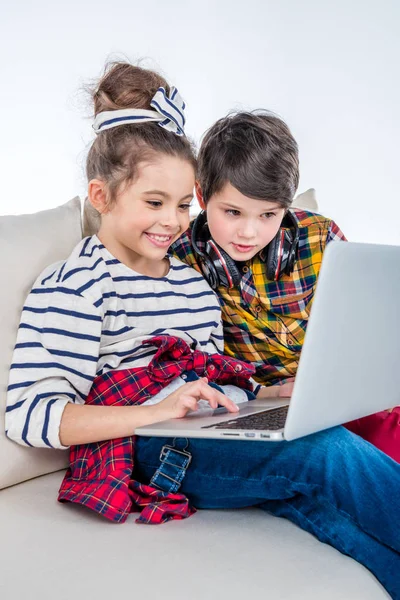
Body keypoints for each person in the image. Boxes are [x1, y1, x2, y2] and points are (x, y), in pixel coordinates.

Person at [5, 62, 400, 598]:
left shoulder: (190, 280)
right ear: (100, 198)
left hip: (209, 431)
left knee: (315, 502)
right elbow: (29, 416)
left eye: (182, 205)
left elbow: (213, 379)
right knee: (323, 450)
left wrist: (270, 393)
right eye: (154, 203)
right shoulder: (77, 286)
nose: (172, 221)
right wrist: (159, 411)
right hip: (147, 445)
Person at [171, 111, 400, 463]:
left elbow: (365, 329)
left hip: (341, 398)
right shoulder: (181, 255)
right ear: (202, 197)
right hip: (266, 406)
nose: (249, 232)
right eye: (233, 212)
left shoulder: (320, 237)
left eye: (268, 215)